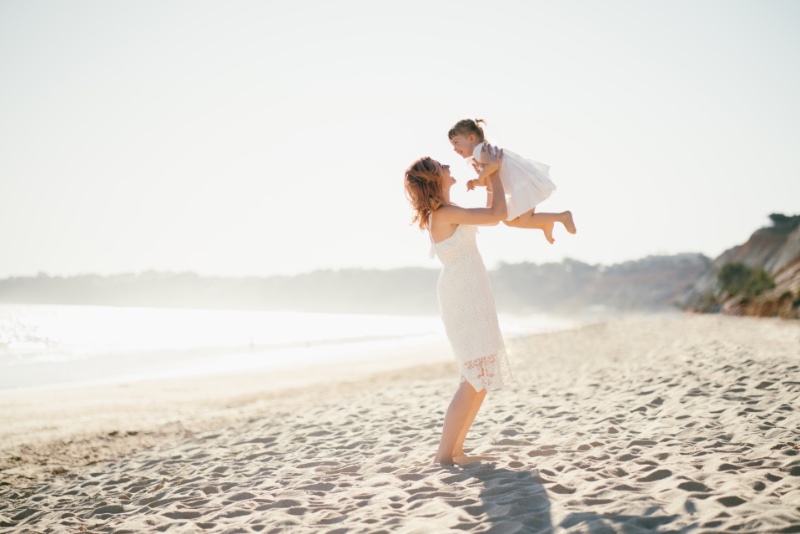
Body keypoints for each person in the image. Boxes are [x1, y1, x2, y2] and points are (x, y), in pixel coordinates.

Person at [404, 145, 513, 465]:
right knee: (472, 377)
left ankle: (456, 450)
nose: (449, 165)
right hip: (462, 295)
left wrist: (489, 176)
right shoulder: (443, 214)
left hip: (473, 291)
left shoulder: (447, 211)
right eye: (442, 165)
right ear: (434, 178)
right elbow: (497, 215)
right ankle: (443, 456)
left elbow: (494, 214)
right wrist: (492, 175)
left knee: (480, 377)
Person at [448, 118, 577, 244]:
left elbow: (493, 165)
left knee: (525, 219)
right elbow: (489, 180)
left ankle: (562, 217)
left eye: (456, 142)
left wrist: (480, 176)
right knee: (508, 219)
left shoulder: (479, 150)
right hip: (521, 185)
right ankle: (544, 223)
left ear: (471, 138)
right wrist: (475, 182)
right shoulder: (479, 155)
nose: (454, 148)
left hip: (522, 185)